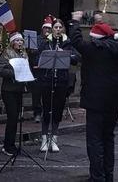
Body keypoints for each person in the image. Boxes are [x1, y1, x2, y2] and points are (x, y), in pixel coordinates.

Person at [69, 11, 118, 182]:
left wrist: (75, 21)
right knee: (108, 138)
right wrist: (101, 23)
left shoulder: (93, 49)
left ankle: (97, 177)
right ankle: (108, 176)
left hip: (95, 101)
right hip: (113, 100)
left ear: (95, 37)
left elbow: (76, 40)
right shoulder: (117, 48)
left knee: (94, 140)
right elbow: (111, 37)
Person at [36, 17, 77, 153]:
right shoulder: (45, 43)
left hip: (61, 80)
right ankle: (44, 139)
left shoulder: (67, 43)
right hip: (47, 79)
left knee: (57, 110)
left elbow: (76, 58)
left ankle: (54, 139)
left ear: (63, 29)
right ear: (52, 29)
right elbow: (38, 59)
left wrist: (66, 55)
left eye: (60, 27)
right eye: (56, 27)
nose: (58, 30)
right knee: (46, 108)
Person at [0, 31, 30, 156]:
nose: (19, 43)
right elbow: (0, 70)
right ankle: (7, 145)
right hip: (8, 89)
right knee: (11, 117)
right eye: (17, 40)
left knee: (16, 117)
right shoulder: (6, 53)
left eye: (21, 41)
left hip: (19, 89)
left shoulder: (23, 53)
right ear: (12, 42)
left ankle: (12, 143)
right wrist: (15, 72)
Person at [28, 16, 53, 123]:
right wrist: (44, 42)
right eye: (45, 28)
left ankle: (47, 113)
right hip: (37, 71)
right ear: (42, 29)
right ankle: (37, 113)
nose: (47, 30)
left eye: (49, 29)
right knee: (36, 94)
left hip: (48, 71)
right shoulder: (36, 39)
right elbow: (33, 52)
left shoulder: (53, 40)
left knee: (47, 94)